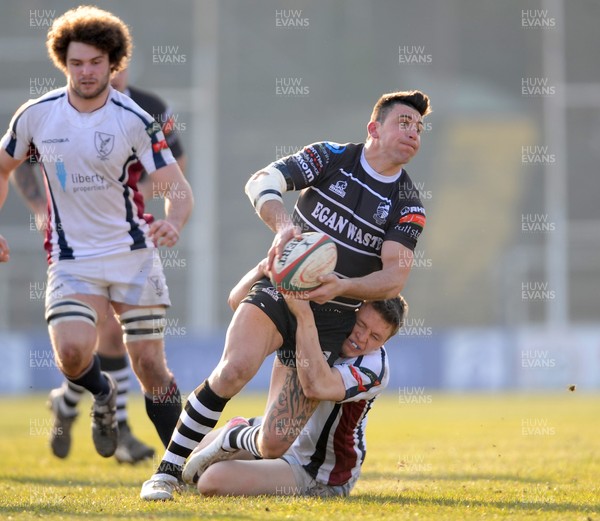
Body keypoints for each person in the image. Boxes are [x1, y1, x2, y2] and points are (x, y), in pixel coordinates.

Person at [141, 90, 429, 499]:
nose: (414, 132)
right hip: (283, 288)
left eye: (419, 127)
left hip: (332, 320)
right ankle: (166, 473)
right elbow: (262, 180)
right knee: (234, 368)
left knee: (274, 441)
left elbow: (394, 277)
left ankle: (232, 436)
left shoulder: (408, 203)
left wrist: (343, 286)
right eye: (404, 123)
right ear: (373, 129)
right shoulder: (331, 157)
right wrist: (282, 226)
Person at [0, 5, 193, 459]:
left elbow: (176, 186)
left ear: (114, 63)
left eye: (95, 63)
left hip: (133, 254)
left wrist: (173, 220)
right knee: (70, 353)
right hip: (72, 258)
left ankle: (181, 465)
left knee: (150, 365)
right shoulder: (36, 114)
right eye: (76, 63)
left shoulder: (137, 119)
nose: (86, 72)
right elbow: (4, 166)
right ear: (63, 63)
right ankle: (102, 395)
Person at [192, 292, 406, 497]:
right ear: (354, 312)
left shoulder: (374, 366)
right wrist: (267, 270)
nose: (362, 337)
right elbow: (238, 300)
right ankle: (252, 437)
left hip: (317, 470)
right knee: (195, 459)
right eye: (361, 324)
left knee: (211, 481)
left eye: (376, 336)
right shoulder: (328, 327)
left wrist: (303, 314)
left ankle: (236, 436)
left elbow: (317, 387)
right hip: (282, 435)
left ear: (385, 342)